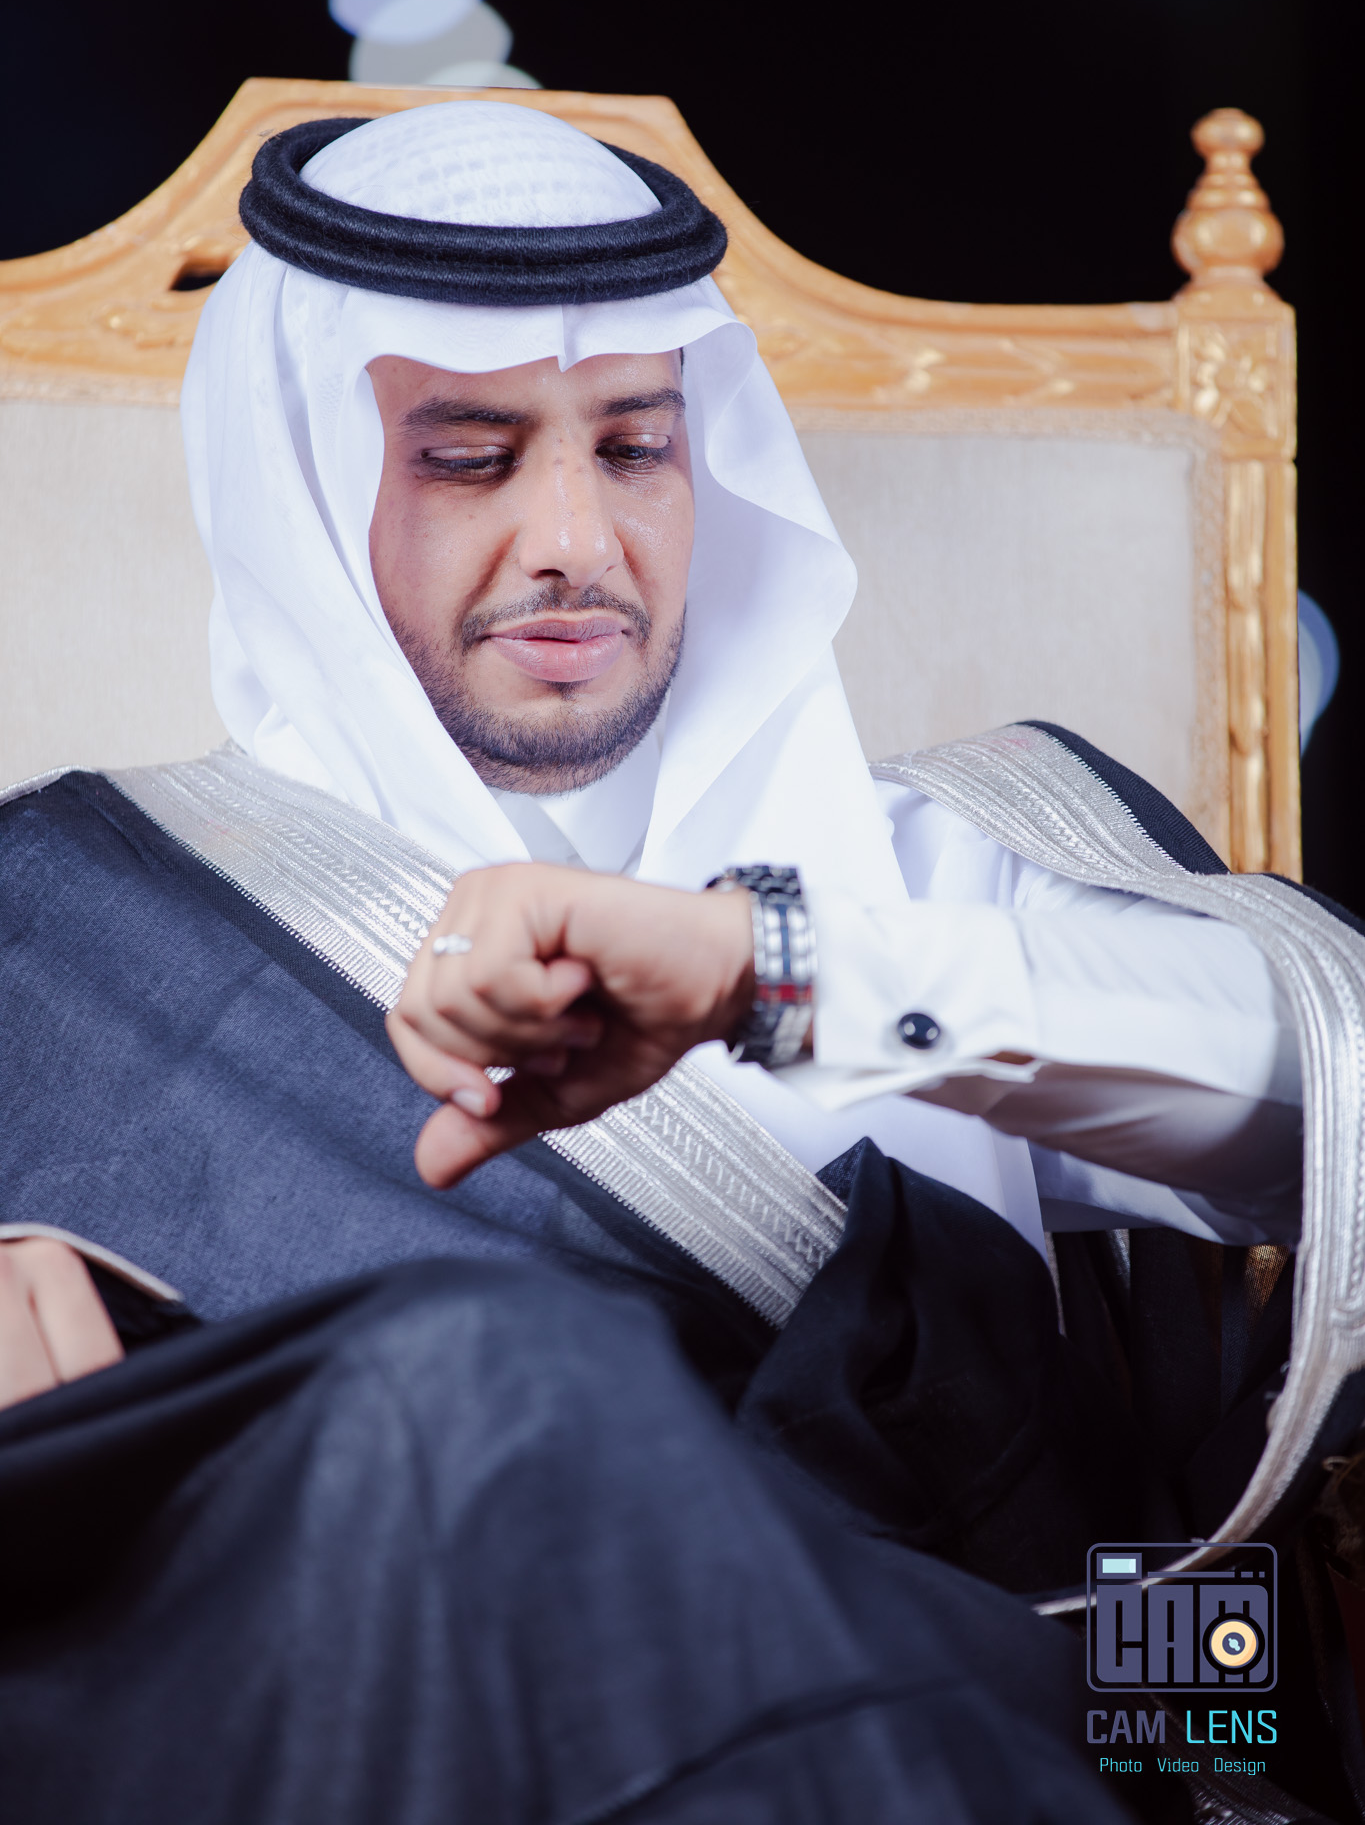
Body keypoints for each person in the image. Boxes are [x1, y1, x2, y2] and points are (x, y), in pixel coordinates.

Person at [1, 100, 1360, 1823]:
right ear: (300, 489)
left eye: (636, 447)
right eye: (470, 458)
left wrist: (777, 973)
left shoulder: (944, 864)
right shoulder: (59, 928)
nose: (575, 538)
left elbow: (1336, 1108)